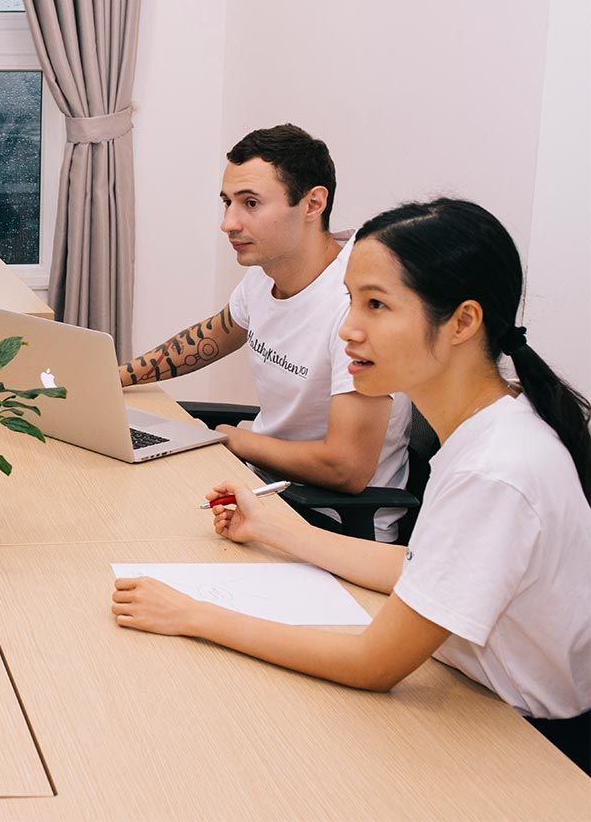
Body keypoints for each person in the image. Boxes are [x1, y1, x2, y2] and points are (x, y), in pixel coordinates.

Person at [111, 198, 591, 774]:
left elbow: (373, 664)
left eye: (377, 305)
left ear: (463, 322)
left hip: (525, 745)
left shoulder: (496, 469)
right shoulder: (490, 429)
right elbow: (419, 568)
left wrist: (192, 615)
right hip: (475, 696)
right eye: (350, 301)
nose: (347, 329)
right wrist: (276, 529)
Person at [119, 124, 413, 540]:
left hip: (331, 521)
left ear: (312, 204)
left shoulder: (358, 301)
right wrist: (116, 377)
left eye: (250, 203)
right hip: (265, 488)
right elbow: (213, 336)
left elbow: (346, 468)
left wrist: (233, 438)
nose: (228, 223)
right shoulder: (266, 272)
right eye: (227, 203)